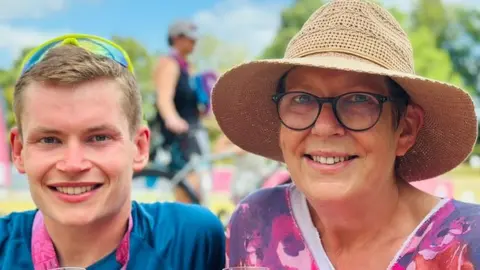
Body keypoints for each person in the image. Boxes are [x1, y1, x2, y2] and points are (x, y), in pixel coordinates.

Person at [212, 0, 480, 269]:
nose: (325, 127)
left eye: (359, 100)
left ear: (406, 129)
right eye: (302, 98)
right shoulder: (255, 223)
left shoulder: (469, 245)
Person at [0, 34, 225, 269]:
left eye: (99, 138)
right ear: (18, 151)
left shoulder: (191, 240)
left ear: (139, 147)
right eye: (49, 140)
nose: (73, 164)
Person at [153, 20, 211, 204]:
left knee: (201, 186)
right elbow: (163, 97)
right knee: (187, 186)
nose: (194, 42)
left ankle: (196, 223)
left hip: (193, 131)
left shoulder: (190, 68)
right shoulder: (169, 63)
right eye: (190, 38)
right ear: (176, 39)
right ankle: (186, 226)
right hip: (177, 135)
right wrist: (172, 119)